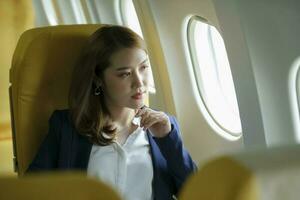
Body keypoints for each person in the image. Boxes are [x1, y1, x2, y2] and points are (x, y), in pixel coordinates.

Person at [27, 25, 197, 200]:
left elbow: (197, 192)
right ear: (98, 79)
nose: (139, 83)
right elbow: (30, 190)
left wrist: (168, 138)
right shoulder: (66, 127)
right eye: (125, 74)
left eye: (143, 68)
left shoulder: (164, 127)